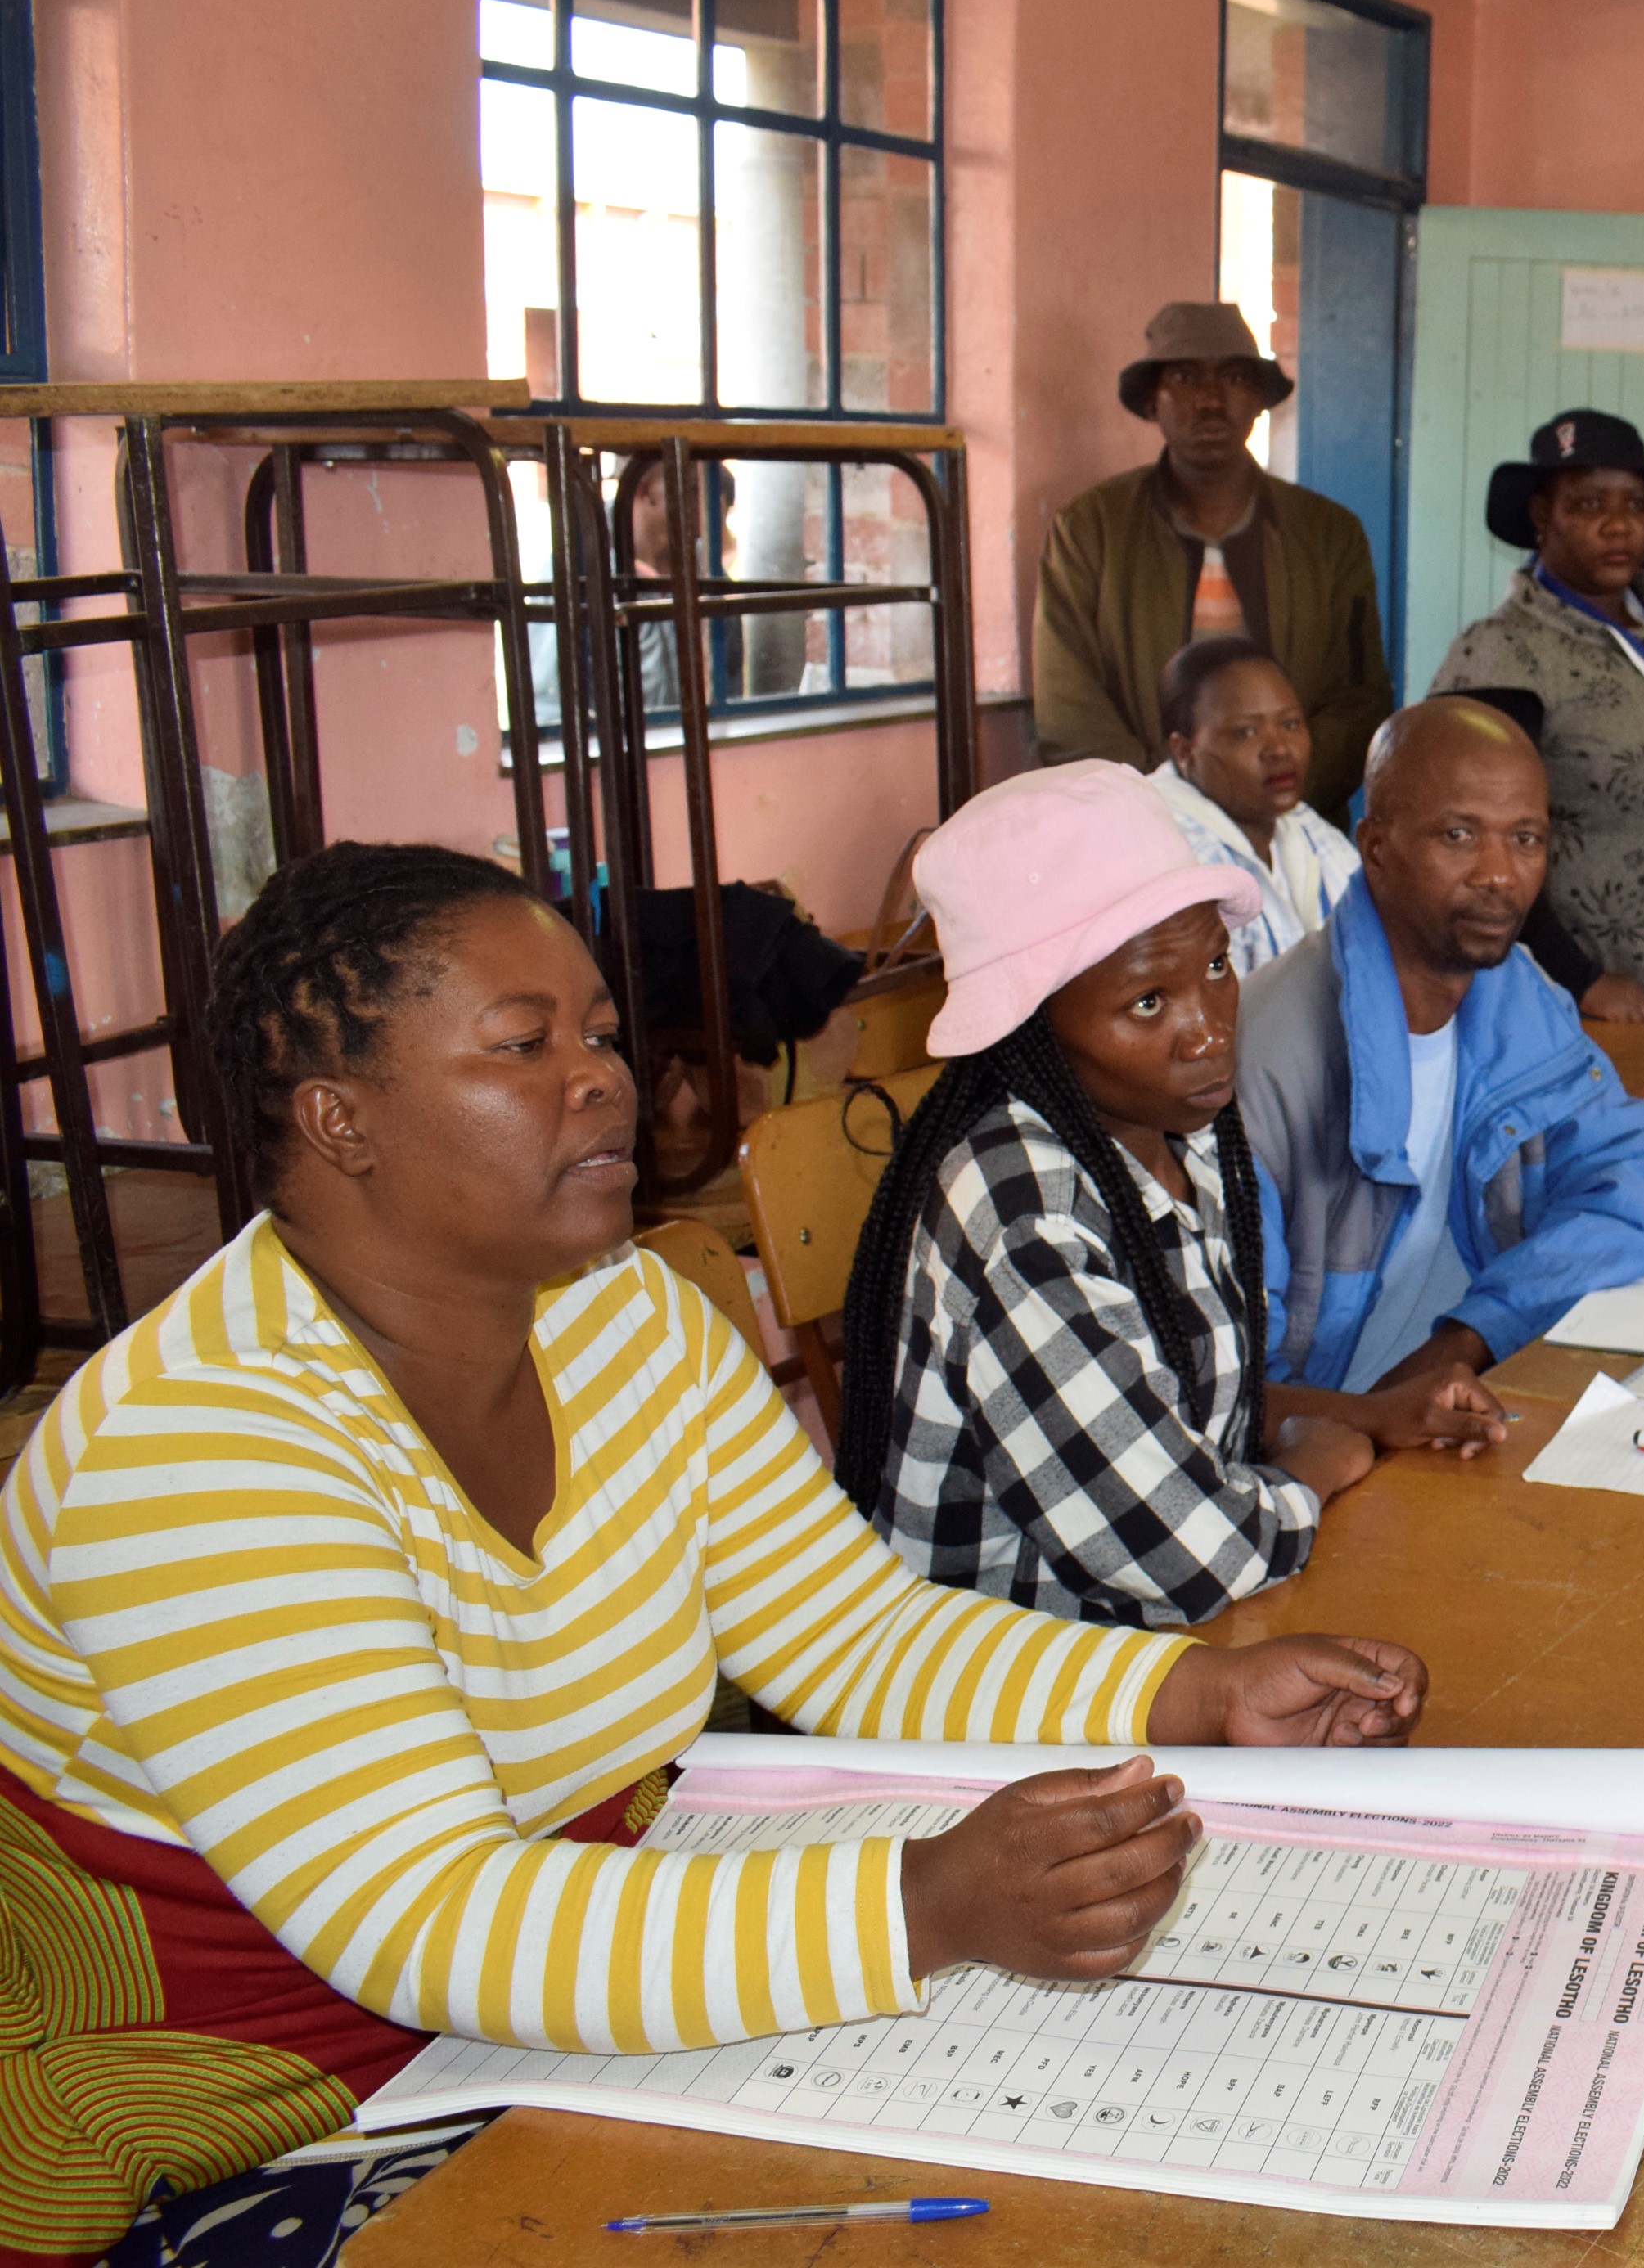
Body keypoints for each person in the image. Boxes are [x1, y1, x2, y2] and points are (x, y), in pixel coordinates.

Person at [0, 841, 1425, 2268]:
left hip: (565, 2006)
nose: (604, 1076)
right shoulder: (195, 1444)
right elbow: (431, 1918)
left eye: (602, 1033)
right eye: (524, 1045)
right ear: (340, 1120)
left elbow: (855, 1637)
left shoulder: (628, 1320)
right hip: (253, 2114)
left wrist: (1194, 1697)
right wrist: (922, 1906)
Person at [836, 764, 1500, 1633]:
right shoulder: (1020, 1217)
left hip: (1155, 1649)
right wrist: (1316, 1471)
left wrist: (1370, 1416)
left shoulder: (1179, 1135)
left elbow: (1180, 1410)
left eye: (1216, 967)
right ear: (1030, 1026)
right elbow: (1197, 1560)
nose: (1210, 1029)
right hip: (1016, 1710)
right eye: (1148, 1001)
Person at [1243, 699, 1644, 1396]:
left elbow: (1636, 1176)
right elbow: (1234, 1383)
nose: (1499, 875)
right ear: (1377, 846)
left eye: (1526, 839)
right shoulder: (1270, 1058)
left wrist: (1470, 1337)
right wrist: (1379, 1417)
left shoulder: (1518, 996)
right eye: (1458, 835)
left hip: (1467, 1395)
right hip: (1326, 1444)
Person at [1432, 409, 1644, 1152]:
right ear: (1541, 517)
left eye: (1636, 506)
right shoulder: (1504, 657)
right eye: (1589, 505)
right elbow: (1474, 847)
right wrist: (1581, 975)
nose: (1619, 526)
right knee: (1632, 1198)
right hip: (1613, 989)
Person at [1031, 301, 1392, 814]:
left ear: (1260, 399)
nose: (1209, 400)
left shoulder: (1330, 535)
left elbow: (1359, 704)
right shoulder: (1089, 533)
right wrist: (1170, 812)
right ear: (1153, 401)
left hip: (1289, 834)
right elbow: (1069, 714)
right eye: (1183, 376)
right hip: (1137, 838)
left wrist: (1267, 799)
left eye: (1234, 377)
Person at [1150, 635, 1362, 974]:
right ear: (1184, 751)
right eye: (1245, 732)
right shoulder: (1172, 851)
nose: (1279, 749)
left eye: (1291, 724)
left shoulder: (1304, 827)